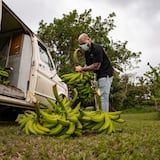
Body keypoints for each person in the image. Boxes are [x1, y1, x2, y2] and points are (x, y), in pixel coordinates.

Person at [75, 33, 113, 112]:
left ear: (89, 39)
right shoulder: (87, 52)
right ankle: (99, 113)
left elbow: (97, 66)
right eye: (81, 44)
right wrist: (82, 71)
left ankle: (105, 116)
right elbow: (88, 65)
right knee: (97, 96)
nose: (83, 45)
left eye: (84, 43)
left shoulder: (97, 48)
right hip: (98, 75)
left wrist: (82, 69)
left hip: (105, 74)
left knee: (104, 96)